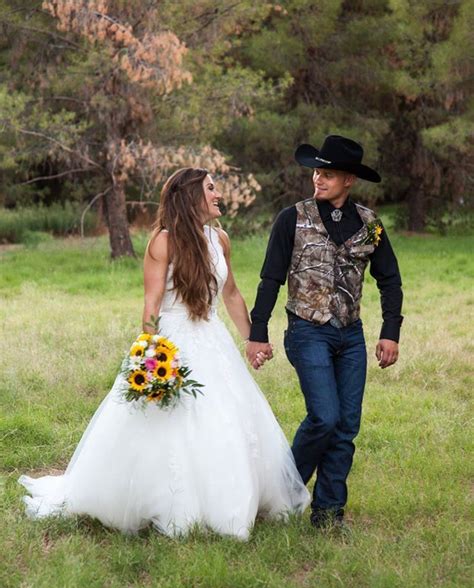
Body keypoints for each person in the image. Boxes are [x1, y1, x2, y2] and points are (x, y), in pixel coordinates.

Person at [19, 167, 310, 540]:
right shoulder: (163, 242)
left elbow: (232, 294)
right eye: (210, 188)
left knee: (226, 418)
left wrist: (254, 338)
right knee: (169, 423)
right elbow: (151, 304)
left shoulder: (220, 238)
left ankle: (232, 500)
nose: (218, 193)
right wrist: (151, 354)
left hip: (213, 339)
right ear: (191, 197)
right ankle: (170, 503)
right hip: (173, 341)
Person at [246, 135, 403, 529]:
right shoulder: (293, 218)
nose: (318, 179)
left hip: (350, 336)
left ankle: (329, 514)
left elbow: (391, 280)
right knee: (325, 417)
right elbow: (270, 278)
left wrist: (390, 332)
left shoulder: (369, 226)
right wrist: (258, 331)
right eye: (317, 171)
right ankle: (284, 494)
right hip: (307, 330)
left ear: (349, 179)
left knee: (346, 426)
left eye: (328, 174)